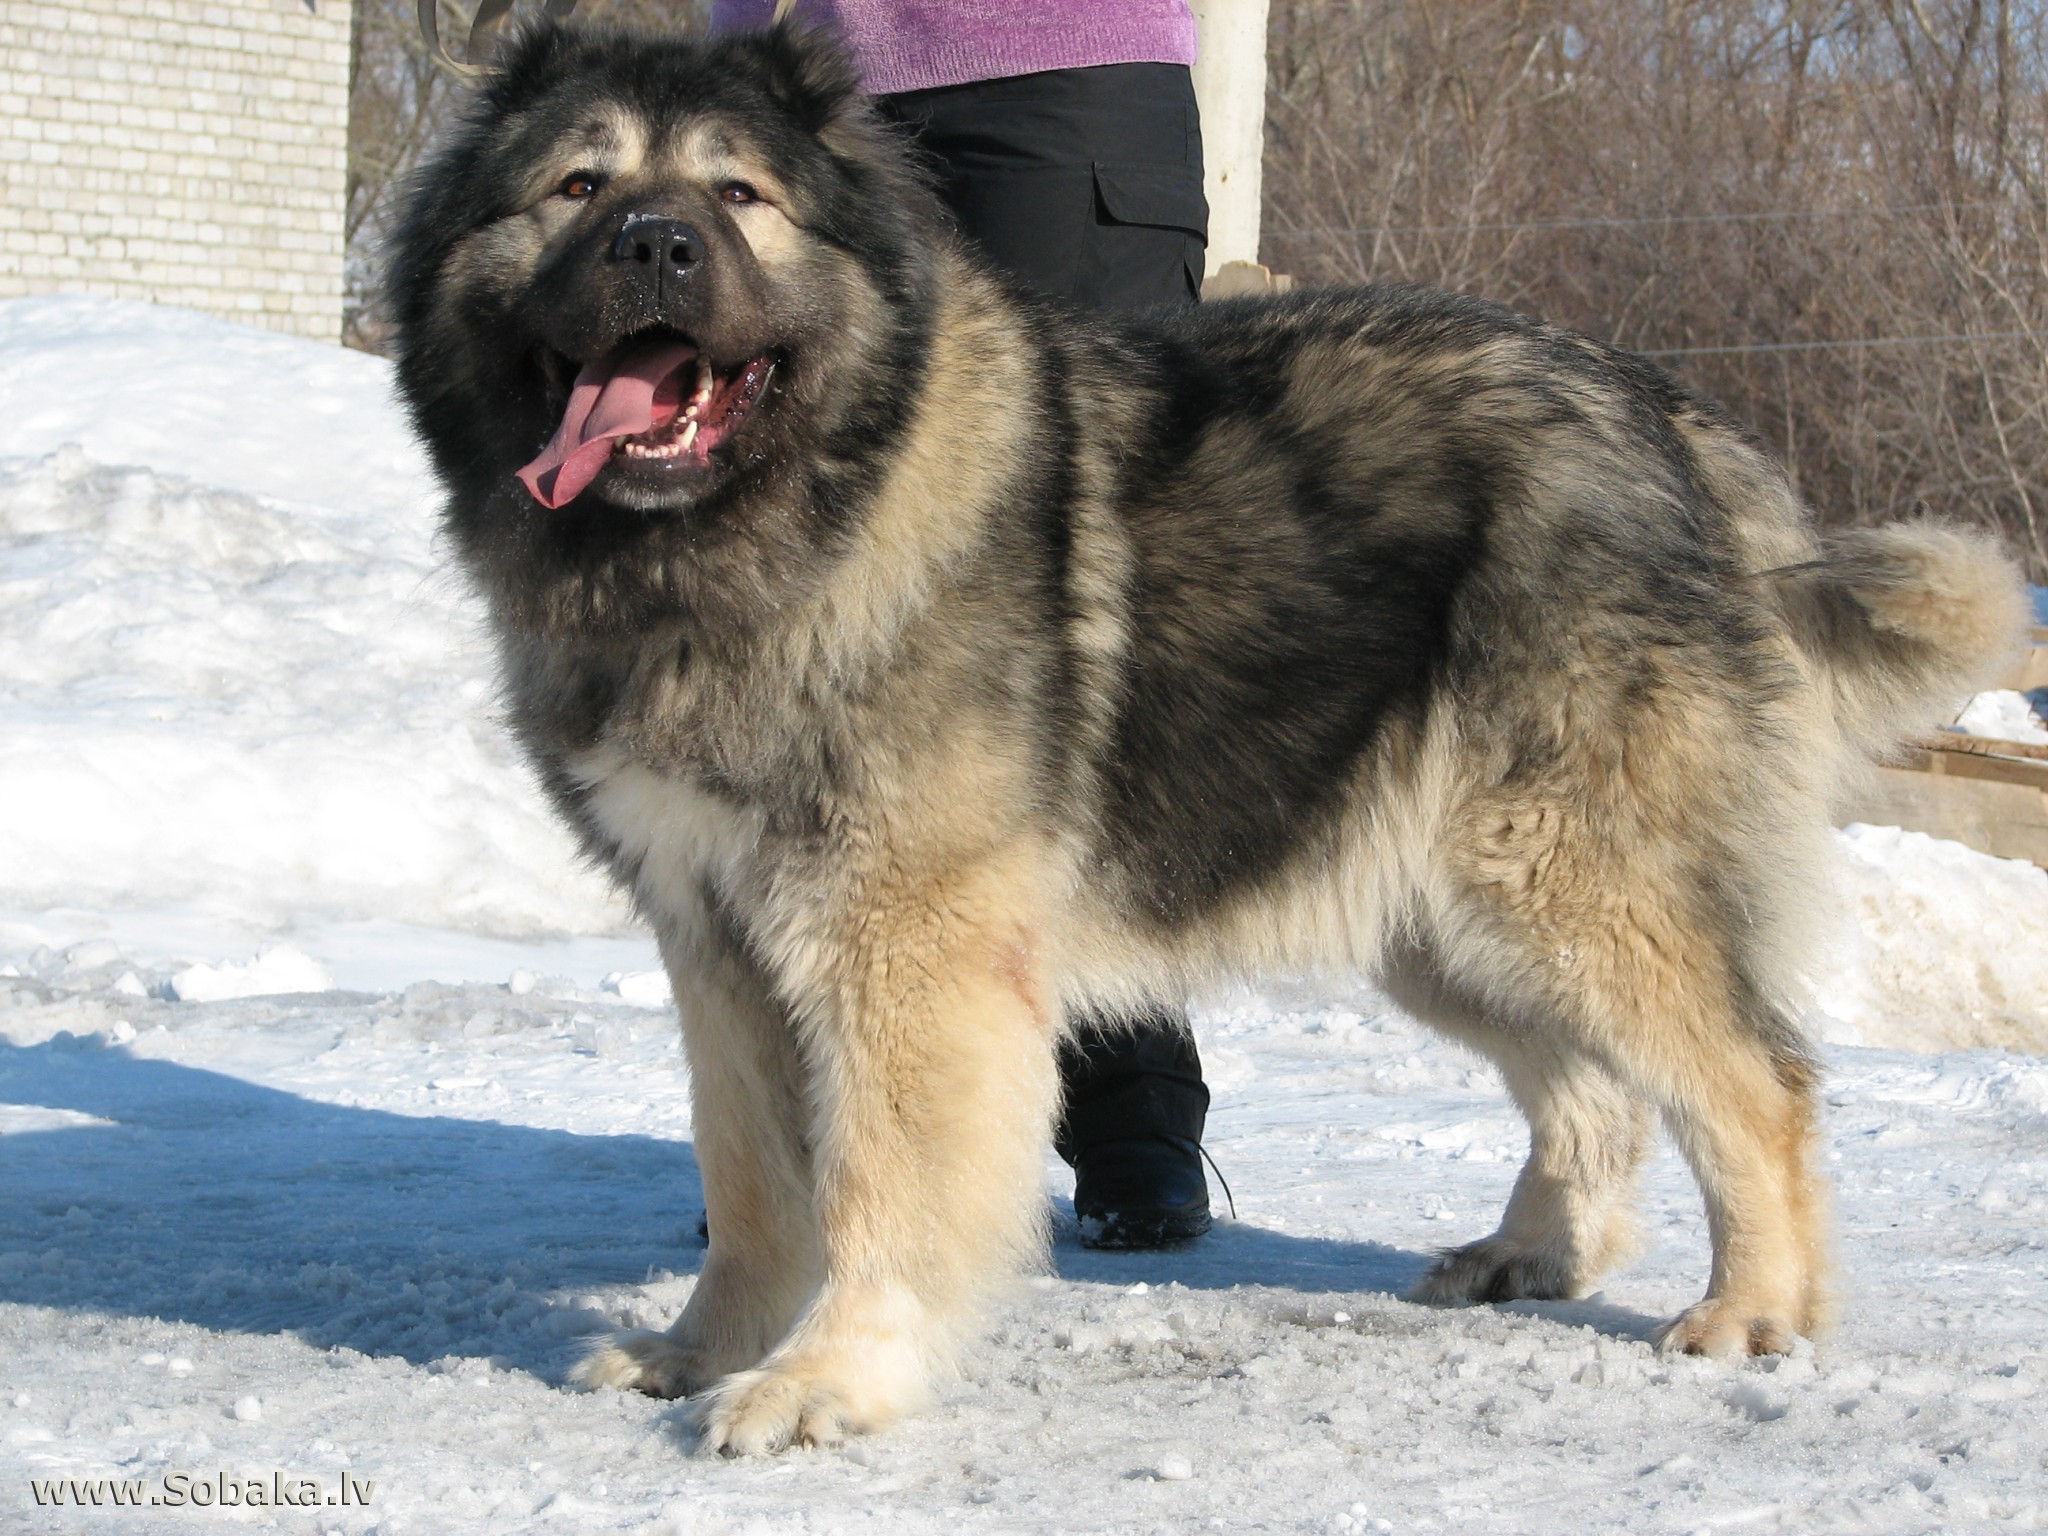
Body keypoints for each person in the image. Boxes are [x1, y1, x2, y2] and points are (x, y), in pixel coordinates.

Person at [713, 0, 1218, 1249]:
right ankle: (811, 1147)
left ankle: (1127, 1107)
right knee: (777, 603)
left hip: (1060, 64)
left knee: (1102, 593)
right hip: (790, 77)